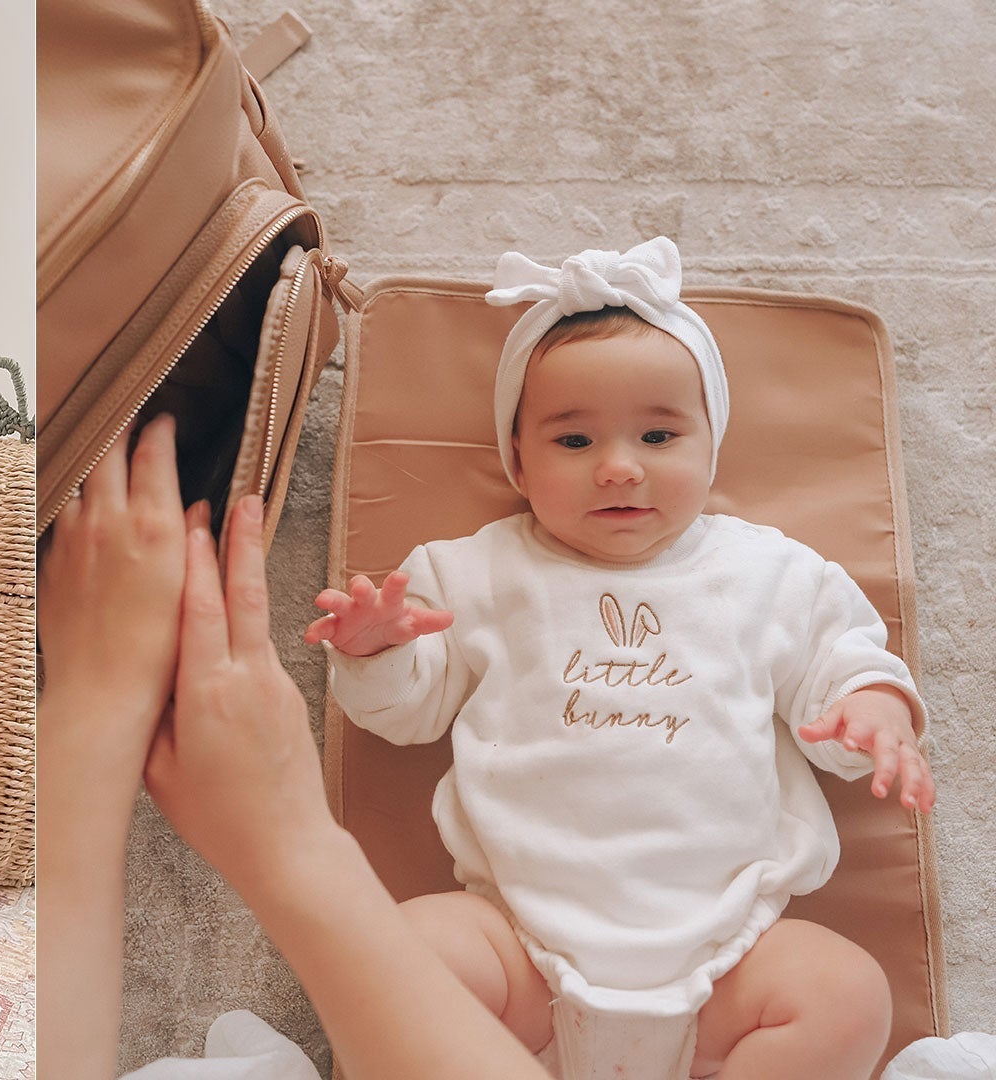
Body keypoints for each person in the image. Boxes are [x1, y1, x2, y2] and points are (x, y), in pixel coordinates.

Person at [307, 238, 935, 1080]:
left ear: (711, 445)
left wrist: (869, 711)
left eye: (659, 433)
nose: (619, 468)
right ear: (517, 460)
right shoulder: (471, 573)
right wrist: (377, 651)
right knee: (399, 961)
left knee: (846, 993)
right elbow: (406, 714)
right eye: (573, 442)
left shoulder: (770, 575)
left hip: (729, 959)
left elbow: (838, 665)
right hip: (519, 951)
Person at [37, 412, 550, 1079]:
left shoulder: (733, 560)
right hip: (525, 940)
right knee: (431, 947)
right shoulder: (487, 569)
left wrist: (94, 703)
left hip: (712, 932)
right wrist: (290, 835)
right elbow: (410, 695)